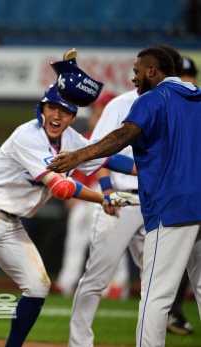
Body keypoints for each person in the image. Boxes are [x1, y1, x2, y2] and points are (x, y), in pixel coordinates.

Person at [0, 82, 139, 347]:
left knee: (38, 286)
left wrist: (151, 173)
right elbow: (62, 187)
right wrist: (105, 198)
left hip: (11, 222)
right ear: (40, 109)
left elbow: (110, 159)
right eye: (51, 107)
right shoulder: (27, 136)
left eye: (64, 110)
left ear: (73, 117)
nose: (56, 115)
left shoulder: (72, 140)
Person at [47, 46, 201, 347]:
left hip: (170, 206)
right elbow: (139, 159)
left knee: (155, 292)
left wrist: (79, 155)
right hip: (181, 200)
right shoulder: (195, 98)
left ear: (152, 71)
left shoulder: (153, 98)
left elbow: (121, 137)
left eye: (136, 70)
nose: (133, 77)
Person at [55, 91, 131, 300]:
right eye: (96, 110)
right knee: (78, 238)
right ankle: (67, 281)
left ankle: (117, 283)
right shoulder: (87, 136)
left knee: (113, 235)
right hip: (87, 191)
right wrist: (73, 193)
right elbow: (78, 168)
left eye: (101, 110)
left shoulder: (124, 135)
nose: (96, 114)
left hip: (114, 188)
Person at [165, 55, 199, 335]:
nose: (187, 80)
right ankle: (170, 313)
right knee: (168, 269)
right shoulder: (165, 106)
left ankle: (172, 312)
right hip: (175, 200)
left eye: (190, 75)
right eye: (181, 75)